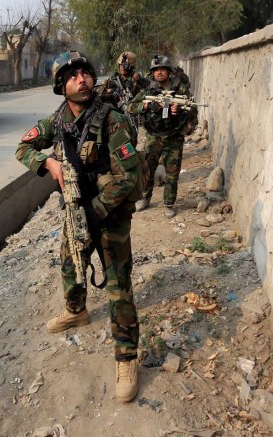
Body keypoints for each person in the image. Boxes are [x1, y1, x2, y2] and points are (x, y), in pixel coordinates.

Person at [15, 50, 142, 402]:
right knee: (70, 264)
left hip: (110, 215)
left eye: (85, 72)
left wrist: (96, 210)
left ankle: (126, 356)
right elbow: (22, 147)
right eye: (72, 76)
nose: (81, 79)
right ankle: (76, 311)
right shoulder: (56, 122)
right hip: (76, 212)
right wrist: (48, 165)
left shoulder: (111, 120)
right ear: (62, 85)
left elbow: (128, 177)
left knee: (118, 284)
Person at [129, 55, 198, 217]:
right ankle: (145, 198)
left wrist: (180, 110)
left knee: (172, 173)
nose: (159, 73)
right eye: (155, 70)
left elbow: (193, 108)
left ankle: (168, 204)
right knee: (147, 169)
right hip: (153, 136)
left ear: (168, 71)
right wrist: (147, 106)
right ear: (152, 73)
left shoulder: (180, 89)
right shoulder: (148, 90)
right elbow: (130, 107)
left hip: (174, 137)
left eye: (162, 69)